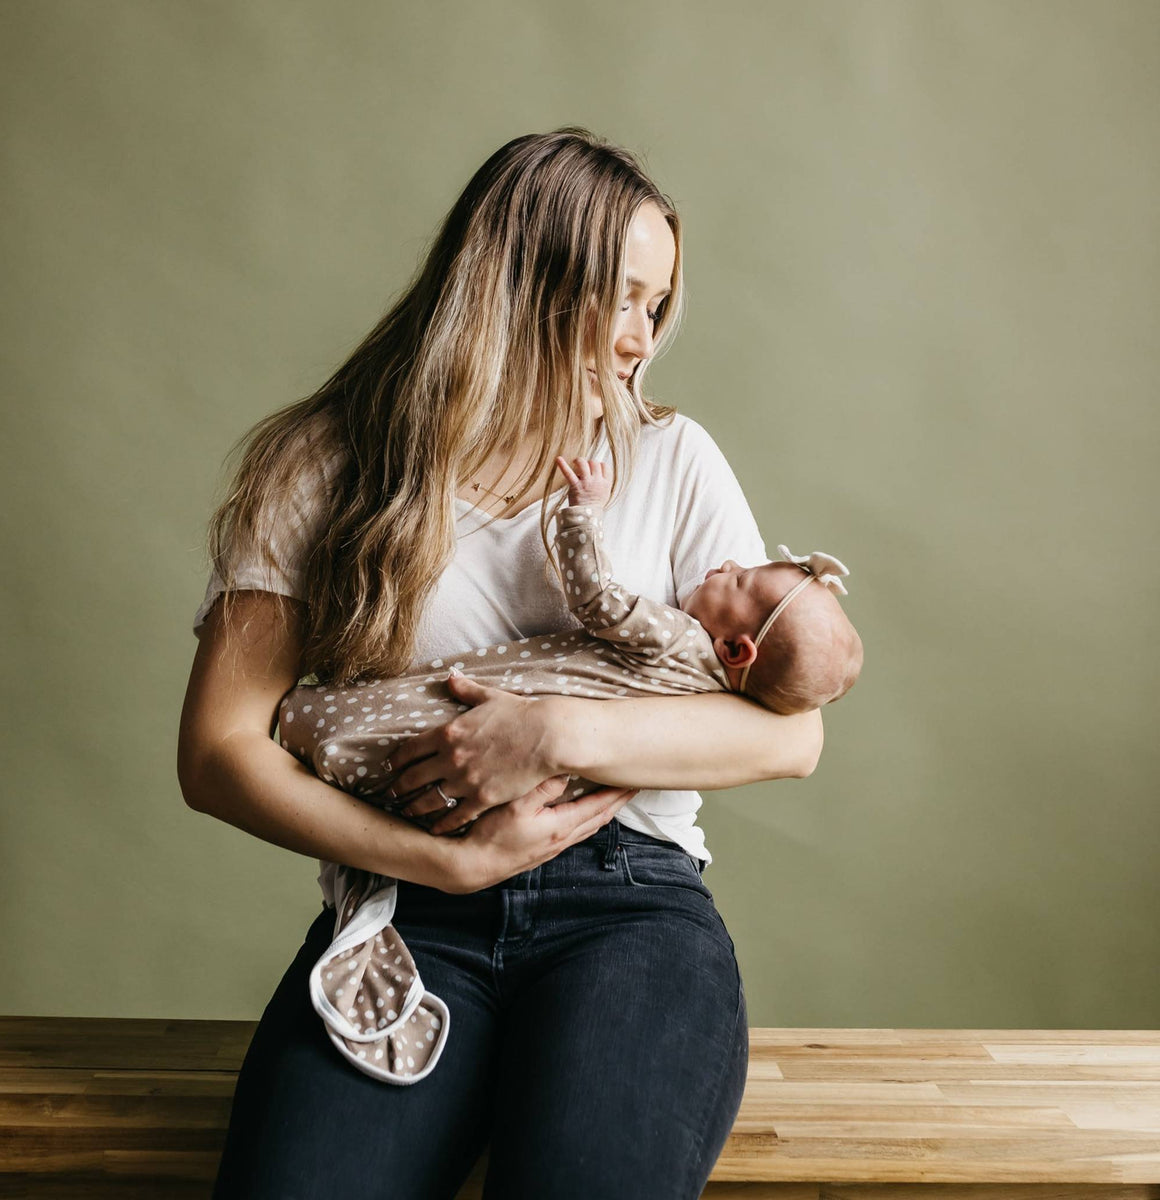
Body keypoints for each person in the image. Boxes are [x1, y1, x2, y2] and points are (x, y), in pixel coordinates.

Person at [178, 126, 826, 1199]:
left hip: (630, 906)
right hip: (406, 903)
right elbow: (217, 752)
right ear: (521, 275)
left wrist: (556, 732)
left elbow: (792, 732)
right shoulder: (324, 462)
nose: (640, 339)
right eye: (620, 298)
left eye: (656, 307)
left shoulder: (669, 458)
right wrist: (445, 863)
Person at [284, 452, 862, 1086]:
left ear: (735, 648)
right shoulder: (713, 687)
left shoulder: (678, 638)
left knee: (412, 723)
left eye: (742, 581)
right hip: (438, 871)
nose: (727, 564)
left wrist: (581, 514)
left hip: (624, 876)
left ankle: (313, 729)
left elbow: (600, 601)